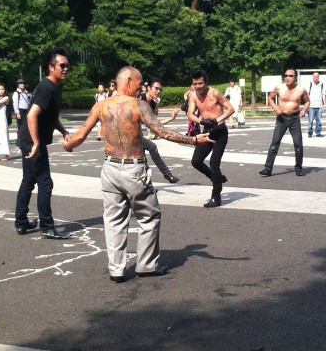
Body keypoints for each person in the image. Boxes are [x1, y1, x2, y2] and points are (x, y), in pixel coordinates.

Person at [62, 66, 214, 283]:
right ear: (129, 81)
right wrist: (194, 140)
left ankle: (116, 269)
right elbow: (162, 131)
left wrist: (68, 145)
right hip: (134, 169)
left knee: (114, 220)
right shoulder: (138, 105)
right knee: (149, 215)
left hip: (110, 168)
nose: (141, 87)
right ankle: (146, 265)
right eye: (139, 83)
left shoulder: (101, 105)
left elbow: (79, 135)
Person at [14, 46, 71, 239]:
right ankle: (47, 226)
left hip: (28, 140)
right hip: (31, 141)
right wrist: (37, 143)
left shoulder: (53, 87)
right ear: (51, 67)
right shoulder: (47, 87)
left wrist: (63, 131)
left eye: (67, 66)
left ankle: (21, 223)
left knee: (28, 181)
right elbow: (31, 116)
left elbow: (50, 116)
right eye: (61, 65)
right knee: (45, 183)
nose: (65, 69)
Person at [187, 69, 234, 208]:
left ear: (205, 82)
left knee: (214, 163)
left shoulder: (214, 93)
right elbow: (190, 114)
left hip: (220, 132)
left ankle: (216, 197)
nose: (198, 86)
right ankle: (216, 178)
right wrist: (201, 121)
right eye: (195, 83)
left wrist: (217, 120)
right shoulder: (193, 95)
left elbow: (231, 109)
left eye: (200, 83)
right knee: (196, 161)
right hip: (206, 132)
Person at [259, 68, 310, 177]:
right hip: (282, 118)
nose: (288, 78)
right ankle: (267, 168)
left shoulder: (301, 90)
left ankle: (298, 168)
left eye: (291, 76)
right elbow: (270, 98)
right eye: (286, 75)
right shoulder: (279, 88)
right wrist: (275, 108)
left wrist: (304, 110)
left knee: (298, 144)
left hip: (295, 119)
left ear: (295, 77)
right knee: (275, 143)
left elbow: (307, 101)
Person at [141, 78, 180, 183]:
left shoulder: (152, 104)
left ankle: (148, 185)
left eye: (160, 90)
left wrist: (171, 118)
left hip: (136, 133)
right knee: (151, 147)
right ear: (148, 88)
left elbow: (155, 124)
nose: (158, 91)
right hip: (128, 132)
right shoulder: (140, 98)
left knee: (142, 158)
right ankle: (167, 175)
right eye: (156, 88)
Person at [13, 78, 32, 147]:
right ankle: (19, 141)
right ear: (18, 85)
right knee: (20, 127)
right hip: (20, 111)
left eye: (23, 83)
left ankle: (23, 140)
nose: (22, 85)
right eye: (20, 84)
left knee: (26, 126)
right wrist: (17, 113)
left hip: (26, 110)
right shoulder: (16, 93)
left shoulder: (25, 92)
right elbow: (15, 104)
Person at [307, 72, 326, 138]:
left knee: (319, 121)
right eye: (314, 77)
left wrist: (324, 104)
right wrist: (306, 104)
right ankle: (310, 133)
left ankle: (318, 133)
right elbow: (306, 95)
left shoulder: (321, 84)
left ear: (318, 77)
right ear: (313, 77)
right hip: (311, 106)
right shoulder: (310, 84)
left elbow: (323, 94)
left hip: (319, 105)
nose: (316, 78)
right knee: (310, 121)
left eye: (317, 77)